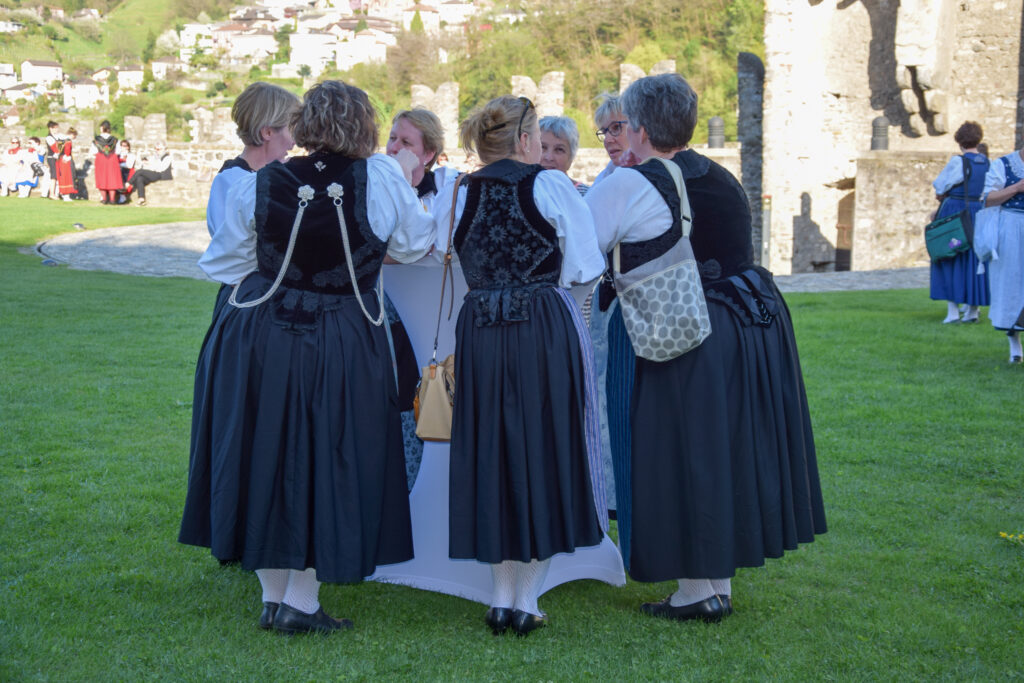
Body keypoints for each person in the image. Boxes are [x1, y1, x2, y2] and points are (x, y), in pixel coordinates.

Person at [179, 80, 435, 634]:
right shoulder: (384, 177)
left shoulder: (263, 181)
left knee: (270, 451)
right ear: (366, 125)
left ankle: (278, 599)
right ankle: (299, 602)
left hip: (269, 332)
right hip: (345, 333)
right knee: (332, 453)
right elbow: (416, 245)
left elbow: (225, 262)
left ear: (306, 125)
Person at [585, 73, 826, 623]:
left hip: (685, 327)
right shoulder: (721, 175)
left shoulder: (633, 182)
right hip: (748, 321)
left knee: (681, 447)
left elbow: (578, 251)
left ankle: (698, 590)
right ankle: (714, 583)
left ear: (639, 126)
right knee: (720, 448)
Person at [437, 95, 606, 636]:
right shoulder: (550, 185)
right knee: (541, 447)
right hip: (539, 326)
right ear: (527, 140)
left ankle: (502, 596)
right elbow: (584, 265)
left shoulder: (457, 192)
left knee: (493, 450)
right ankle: (525, 598)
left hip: (482, 329)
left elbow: (421, 246)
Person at [384, 107, 459, 488]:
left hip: (430, 318)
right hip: (382, 312)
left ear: (428, 153)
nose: (394, 147)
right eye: (392, 138)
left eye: (406, 142)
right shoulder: (377, 186)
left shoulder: (446, 189)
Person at [201, 82, 300, 320]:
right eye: (290, 129)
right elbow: (241, 251)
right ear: (268, 132)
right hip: (249, 302)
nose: (294, 141)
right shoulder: (232, 181)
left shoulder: (282, 176)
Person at [930, 121, 991, 323]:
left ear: (960, 142)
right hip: (978, 211)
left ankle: (953, 311)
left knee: (950, 255)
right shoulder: (987, 163)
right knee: (974, 259)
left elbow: (940, 185)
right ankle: (972, 310)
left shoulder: (959, 162)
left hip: (956, 210)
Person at [973, 144, 1024, 362]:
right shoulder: (1003, 164)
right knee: (1011, 284)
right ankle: (1014, 340)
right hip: (1011, 228)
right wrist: (1017, 187)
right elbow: (987, 199)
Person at [538, 115, 587, 195]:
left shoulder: (587, 196)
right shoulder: (517, 195)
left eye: (559, 149)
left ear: (571, 157)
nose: (549, 157)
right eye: (543, 147)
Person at [92, 120, 123, 205]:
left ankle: (104, 199)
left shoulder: (96, 140)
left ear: (102, 128)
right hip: (112, 158)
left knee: (101, 177)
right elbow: (118, 152)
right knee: (112, 178)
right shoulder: (115, 140)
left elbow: (93, 151)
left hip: (100, 158)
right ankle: (112, 199)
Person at [54, 128, 77, 201]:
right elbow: (67, 150)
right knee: (67, 177)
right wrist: (67, 156)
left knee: (62, 177)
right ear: (72, 134)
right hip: (66, 161)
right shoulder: (68, 141)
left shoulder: (60, 140)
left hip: (60, 159)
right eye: (74, 135)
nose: (74, 137)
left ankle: (62, 194)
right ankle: (66, 195)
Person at [44, 121, 61, 200]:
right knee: (53, 176)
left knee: (56, 175)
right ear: (50, 128)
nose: (57, 129)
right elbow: (55, 148)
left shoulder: (56, 137)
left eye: (57, 128)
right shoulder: (49, 138)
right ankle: (51, 193)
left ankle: (56, 193)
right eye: (55, 128)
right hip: (52, 158)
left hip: (56, 158)